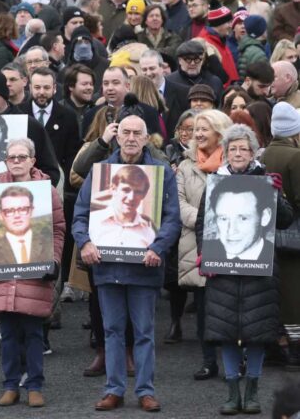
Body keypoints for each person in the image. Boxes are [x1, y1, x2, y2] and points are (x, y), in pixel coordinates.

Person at [72, 115, 181, 412]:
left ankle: (145, 390)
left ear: (147, 138)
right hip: (107, 267)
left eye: (137, 133)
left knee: (144, 331)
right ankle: (114, 389)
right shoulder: (100, 173)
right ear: (117, 137)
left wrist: (158, 247)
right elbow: (80, 214)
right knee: (112, 330)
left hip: (145, 266)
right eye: (126, 132)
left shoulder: (161, 173)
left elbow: (172, 217)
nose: (131, 138)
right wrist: (85, 242)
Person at [196, 124, 292, 414]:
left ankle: (252, 391)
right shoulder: (215, 181)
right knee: (225, 332)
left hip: (260, 274)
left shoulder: (265, 179)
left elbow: (285, 220)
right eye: (233, 148)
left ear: (253, 152)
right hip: (223, 272)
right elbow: (203, 222)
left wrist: (277, 195)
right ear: (226, 152)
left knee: (257, 333)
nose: (238, 153)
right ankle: (231, 393)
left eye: (244, 148)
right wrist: (204, 255)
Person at [0, 137, 65, 408]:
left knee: (33, 333)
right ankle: (10, 385)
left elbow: (57, 230)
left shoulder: (48, 191)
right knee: (7, 335)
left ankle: (35, 385)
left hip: (35, 273)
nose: (18, 162)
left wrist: (54, 261)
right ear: (6, 160)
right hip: (3, 273)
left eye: (23, 157)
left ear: (33, 160)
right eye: (12, 157)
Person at [176, 108, 232, 381]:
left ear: (220, 133)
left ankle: (235, 361)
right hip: (195, 244)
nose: (197, 134)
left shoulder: (234, 164)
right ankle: (209, 361)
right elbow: (178, 203)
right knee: (203, 309)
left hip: (231, 243)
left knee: (231, 307)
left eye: (203, 129)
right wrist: (206, 218)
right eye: (196, 129)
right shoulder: (186, 165)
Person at [262, 103, 300, 371]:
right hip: (292, 235)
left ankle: (274, 345)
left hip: (266, 235)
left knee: (271, 293)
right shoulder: (295, 157)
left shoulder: (261, 155)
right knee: (292, 294)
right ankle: (295, 348)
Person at [88, 165, 157, 248]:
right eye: (126, 190)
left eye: (138, 192)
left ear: (143, 195)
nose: (131, 197)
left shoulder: (149, 233)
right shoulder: (93, 222)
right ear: (113, 189)